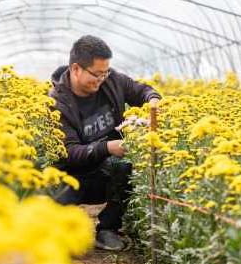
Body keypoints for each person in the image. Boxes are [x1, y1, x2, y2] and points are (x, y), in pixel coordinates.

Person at [50, 35, 161, 251]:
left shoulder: (111, 81)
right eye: (96, 74)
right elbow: (69, 152)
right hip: (72, 176)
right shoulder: (57, 102)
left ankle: (108, 229)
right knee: (50, 208)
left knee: (126, 167)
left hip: (107, 171)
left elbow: (141, 90)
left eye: (105, 72)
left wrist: (153, 101)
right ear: (76, 69)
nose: (102, 79)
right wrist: (108, 147)